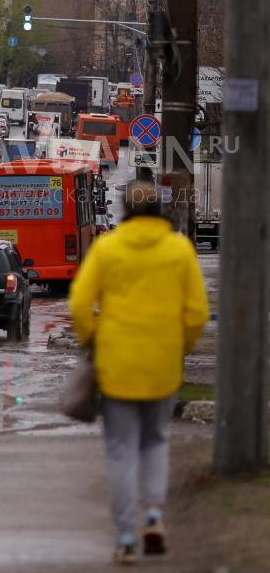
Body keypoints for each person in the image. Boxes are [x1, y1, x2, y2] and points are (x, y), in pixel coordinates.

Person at [68, 180, 208, 566]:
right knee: (157, 442)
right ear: (160, 210)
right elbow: (196, 312)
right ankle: (154, 516)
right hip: (162, 362)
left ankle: (127, 535)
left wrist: (92, 341)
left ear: (123, 208)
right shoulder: (179, 249)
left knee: (120, 452)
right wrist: (181, 346)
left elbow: (79, 304)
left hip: (116, 365)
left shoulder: (108, 248)